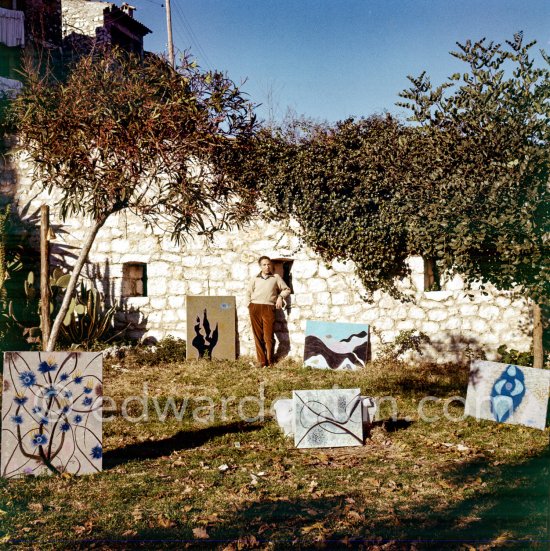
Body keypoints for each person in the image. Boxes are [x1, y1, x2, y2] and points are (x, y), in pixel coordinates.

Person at [246, 256, 291, 367]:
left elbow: (287, 289)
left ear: (271, 265)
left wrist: (280, 297)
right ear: (260, 266)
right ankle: (262, 362)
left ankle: (270, 361)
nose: (267, 267)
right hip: (255, 307)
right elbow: (248, 292)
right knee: (257, 336)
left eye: (268, 264)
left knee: (268, 337)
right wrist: (249, 305)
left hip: (269, 308)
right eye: (264, 265)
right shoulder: (254, 278)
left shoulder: (275, 277)